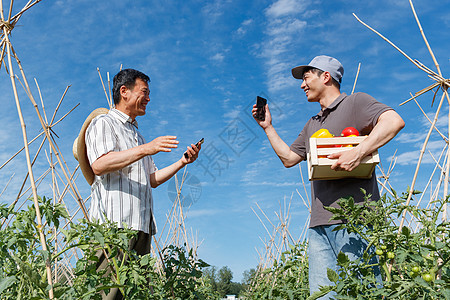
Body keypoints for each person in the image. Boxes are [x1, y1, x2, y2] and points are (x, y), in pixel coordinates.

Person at [252, 55, 404, 298]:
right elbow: (289, 159)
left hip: (356, 218)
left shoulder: (355, 103)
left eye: (306, 78)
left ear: (326, 76)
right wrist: (268, 127)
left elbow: (393, 121)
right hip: (319, 224)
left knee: (363, 292)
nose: (302, 85)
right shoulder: (313, 123)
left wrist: (358, 152)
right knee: (322, 296)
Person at [85, 68, 201, 299]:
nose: (148, 99)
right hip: (113, 228)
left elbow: (152, 180)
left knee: (135, 294)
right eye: (145, 92)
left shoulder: (138, 136)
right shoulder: (103, 123)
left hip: (141, 227)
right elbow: (99, 164)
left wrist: (182, 162)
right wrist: (147, 149)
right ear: (124, 91)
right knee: (108, 294)